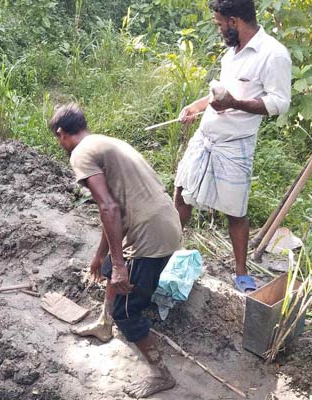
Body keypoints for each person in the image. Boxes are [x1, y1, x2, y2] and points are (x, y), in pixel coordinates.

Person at [49, 103, 182, 398]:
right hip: (160, 220)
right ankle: (103, 324)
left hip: (150, 234)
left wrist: (121, 265)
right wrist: (103, 256)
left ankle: (161, 374)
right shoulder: (106, 142)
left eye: (57, 139)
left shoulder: (81, 154)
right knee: (111, 268)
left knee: (127, 308)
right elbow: (113, 213)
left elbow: (109, 208)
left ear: (61, 133)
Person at [175, 0, 291, 293]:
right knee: (181, 194)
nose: (218, 30)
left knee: (235, 210)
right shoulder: (232, 51)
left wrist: (235, 104)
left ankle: (240, 272)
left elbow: (278, 103)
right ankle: (168, 249)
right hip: (205, 137)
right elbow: (219, 94)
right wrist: (196, 106)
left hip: (235, 145)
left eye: (219, 24)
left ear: (235, 20)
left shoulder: (273, 54)